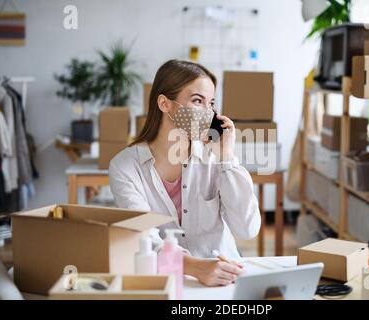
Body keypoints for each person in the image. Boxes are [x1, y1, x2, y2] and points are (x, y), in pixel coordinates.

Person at [109, 59, 261, 286]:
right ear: (164, 104)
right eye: (197, 101)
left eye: (211, 104)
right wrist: (196, 268)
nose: (207, 112)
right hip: (167, 281)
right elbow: (144, 239)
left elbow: (247, 229)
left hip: (224, 278)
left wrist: (226, 159)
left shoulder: (215, 157)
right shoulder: (125, 166)